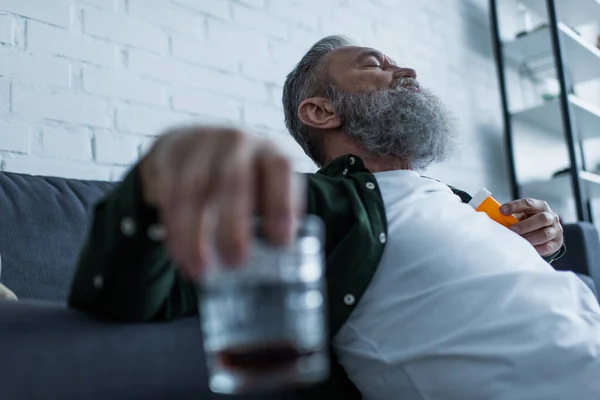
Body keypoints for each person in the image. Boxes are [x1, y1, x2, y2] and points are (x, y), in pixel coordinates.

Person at [68, 36, 600, 399]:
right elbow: (128, 298)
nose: (407, 71)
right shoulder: (306, 207)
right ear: (322, 111)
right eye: (376, 64)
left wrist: (541, 241)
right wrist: (157, 182)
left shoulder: (455, 198)